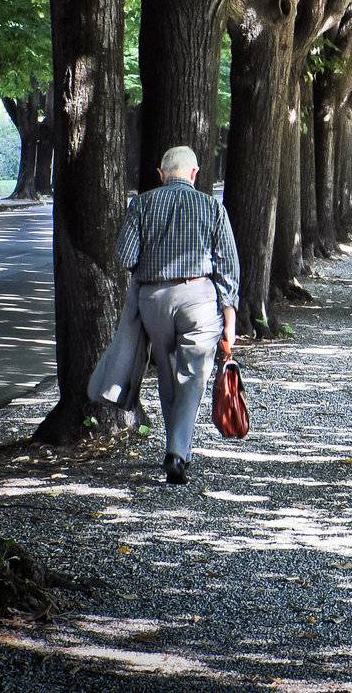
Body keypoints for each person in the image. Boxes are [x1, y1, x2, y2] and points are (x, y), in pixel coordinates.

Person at [114, 146, 240, 484]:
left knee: (169, 375)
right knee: (194, 376)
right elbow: (228, 266)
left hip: (153, 299)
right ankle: (177, 453)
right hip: (198, 297)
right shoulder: (212, 207)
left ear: (161, 173)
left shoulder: (141, 204)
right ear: (195, 174)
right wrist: (229, 318)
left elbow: (125, 256)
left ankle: (175, 448)